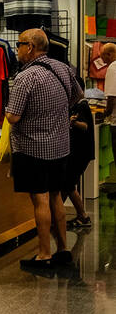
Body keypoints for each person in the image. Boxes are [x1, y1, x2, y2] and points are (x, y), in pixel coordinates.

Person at [6, 29, 83, 270]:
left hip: (32, 149)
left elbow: (13, 116)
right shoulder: (63, 68)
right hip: (60, 146)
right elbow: (77, 98)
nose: (16, 49)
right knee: (56, 196)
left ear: (29, 47)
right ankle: (63, 249)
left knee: (40, 200)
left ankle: (44, 254)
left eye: (19, 45)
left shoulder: (25, 77)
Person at [63, 96, 96, 230]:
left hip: (80, 153)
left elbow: (85, 125)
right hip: (80, 152)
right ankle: (81, 216)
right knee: (67, 184)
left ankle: (82, 216)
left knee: (68, 184)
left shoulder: (81, 105)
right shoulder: (78, 105)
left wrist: (73, 122)